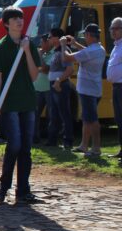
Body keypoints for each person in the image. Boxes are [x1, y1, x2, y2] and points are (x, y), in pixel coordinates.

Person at [0, 6, 41, 204]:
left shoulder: (30, 44)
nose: (20, 21)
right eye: (15, 18)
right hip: (9, 103)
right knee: (15, 144)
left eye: (21, 18)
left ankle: (23, 190)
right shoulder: (0, 47)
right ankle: (3, 186)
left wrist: (26, 51)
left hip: (28, 101)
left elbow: (34, 75)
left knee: (26, 147)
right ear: (6, 24)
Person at [60, 24, 105, 157]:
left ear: (89, 35)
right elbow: (87, 51)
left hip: (88, 90)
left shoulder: (90, 51)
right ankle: (84, 145)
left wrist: (63, 45)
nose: (84, 37)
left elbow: (66, 58)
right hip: (92, 89)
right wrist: (75, 43)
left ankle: (96, 148)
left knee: (92, 119)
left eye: (85, 35)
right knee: (86, 119)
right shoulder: (99, 49)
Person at [45, 28, 74, 149]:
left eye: (50, 37)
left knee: (64, 113)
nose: (49, 39)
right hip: (53, 84)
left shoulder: (64, 49)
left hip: (60, 85)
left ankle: (68, 141)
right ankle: (52, 140)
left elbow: (69, 69)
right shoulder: (55, 50)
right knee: (54, 113)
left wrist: (59, 80)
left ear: (57, 38)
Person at [32, 36, 54, 144]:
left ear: (47, 42)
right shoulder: (43, 54)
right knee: (35, 115)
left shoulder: (53, 54)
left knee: (51, 116)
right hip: (37, 88)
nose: (40, 46)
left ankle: (51, 139)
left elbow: (45, 69)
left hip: (49, 89)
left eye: (42, 43)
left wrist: (39, 55)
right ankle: (34, 138)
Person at [106, 17, 122, 162]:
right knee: (118, 119)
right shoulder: (116, 46)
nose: (113, 31)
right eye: (112, 28)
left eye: (116, 28)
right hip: (116, 87)